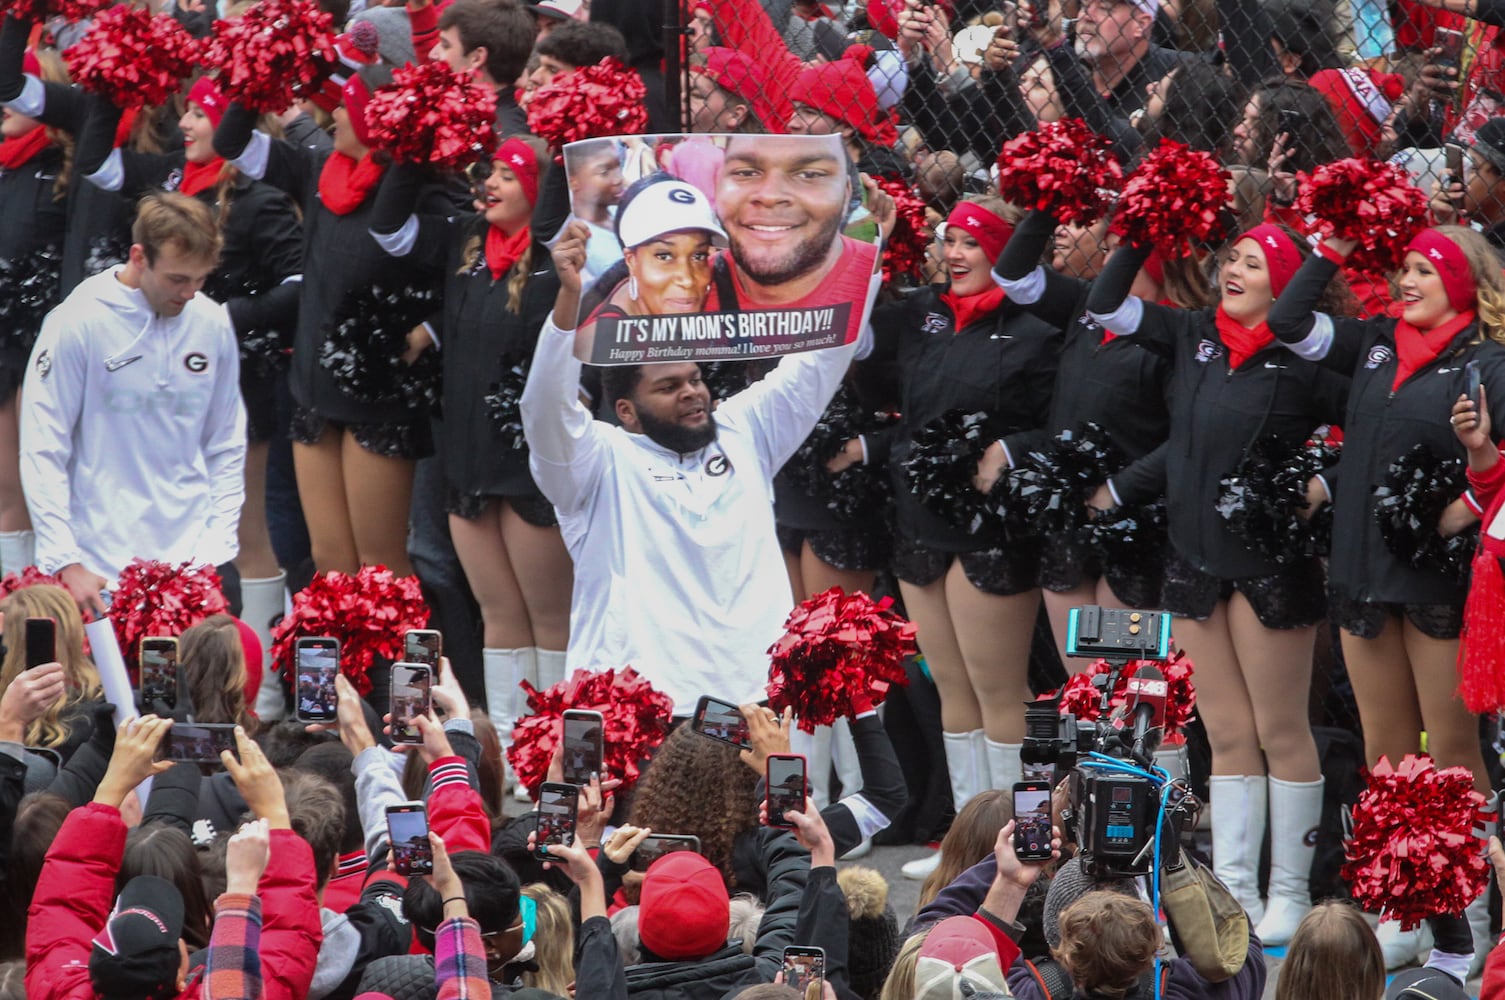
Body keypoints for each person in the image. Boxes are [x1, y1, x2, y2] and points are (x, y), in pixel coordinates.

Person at [519, 136, 887, 717]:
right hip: (640, 713)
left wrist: (865, 247)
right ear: (626, 411)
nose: (693, 392)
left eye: (694, 380)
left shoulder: (744, 429)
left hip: (754, 701)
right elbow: (544, 409)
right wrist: (568, 305)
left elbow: (822, 358)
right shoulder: (595, 463)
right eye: (668, 387)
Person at [1083, 225, 1352, 946]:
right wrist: (1142, 231)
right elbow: (1106, 304)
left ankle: (1289, 892)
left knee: (1279, 730)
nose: (1232, 270)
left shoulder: (1308, 356)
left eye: (1253, 263)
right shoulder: (1192, 332)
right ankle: (1234, 884)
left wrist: (1322, 482)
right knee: (1225, 731)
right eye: (1231, 257)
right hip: (1192, 558)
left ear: (1288, 282)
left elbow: (1372, 424)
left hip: (1268, 565)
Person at [1267, 223, 1505, 971]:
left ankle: (1466, 923)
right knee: (1388, 752)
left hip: (1439, 582)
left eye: (1422, 272)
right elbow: (1286, 322)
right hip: (1362, 572)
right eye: (1400, 269)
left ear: (1462, 284)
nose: (1405, 282)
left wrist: (1465, 498)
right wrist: (1333, 244)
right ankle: (1409, 911)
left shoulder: (1489, 363)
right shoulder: (1375, 344)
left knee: (1454, 752)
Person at [72, 74, 304, 662]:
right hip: (157, 388)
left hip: (235, 382)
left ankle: (257, 676)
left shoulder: (259, 196)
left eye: (201, 114)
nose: (185, 124)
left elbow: (300, 284)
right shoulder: (172, 178)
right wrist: (108, 84)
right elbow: (97, 164)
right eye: (189, 113)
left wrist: (222, 317)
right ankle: (152, 656)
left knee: (247, 535)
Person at [368, 133, 572, 772]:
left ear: (536, 192)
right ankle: (509, 764)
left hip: (528, 464)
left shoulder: (556, 261)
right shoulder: (464, 243)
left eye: (507, 177)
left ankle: (557, 759)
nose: (488, 185)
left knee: (549, 620)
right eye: (486, 175)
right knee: (498, 615)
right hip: (467, 460)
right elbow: (389, 230)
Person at [20, 192, 245, 616]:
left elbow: (226, 444)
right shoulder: (78, 321)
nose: (191, 293)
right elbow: (42, 447)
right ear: (139, 257)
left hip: (194, 568)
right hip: (98, 569)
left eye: (201, 279)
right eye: (178, 279)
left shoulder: (212, 322)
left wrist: (215, 554)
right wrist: (66, 559)